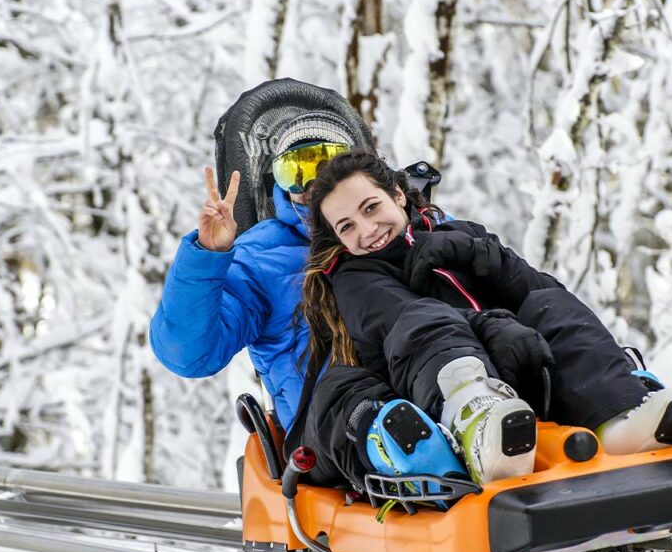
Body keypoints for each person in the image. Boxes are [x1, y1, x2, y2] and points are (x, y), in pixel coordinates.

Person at [301, 152, 672, 485]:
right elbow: (403, 324)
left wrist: (481, 256)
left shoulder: (459, 233)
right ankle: (478, 426)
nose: (368, 230)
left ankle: (617, 418)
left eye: (371, 207)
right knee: (424, 318)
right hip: (439, 398)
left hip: (526, 373)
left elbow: (544, 292)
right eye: (347, 226)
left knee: (549, 304)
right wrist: (496, 328)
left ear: (398, 196)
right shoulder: (355, 278)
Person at [150, 78, 462, 491]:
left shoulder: (393, 228)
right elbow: (189, 354)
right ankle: (406, 449)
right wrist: (207, 256)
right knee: (353, 393)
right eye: (297, 167)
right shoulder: (258, 260)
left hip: (432, 389)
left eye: (328, 161)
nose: (314, 181)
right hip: (338, 434)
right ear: (280, 181)